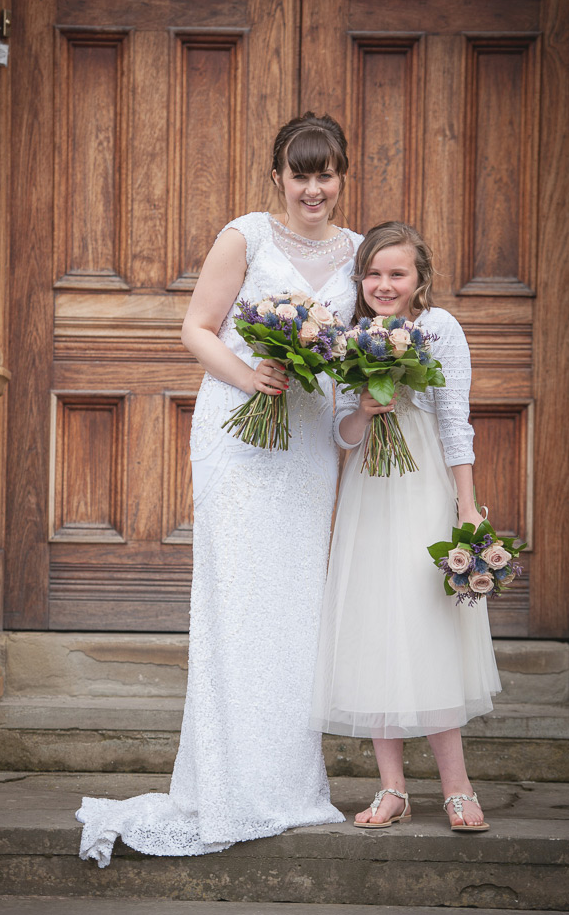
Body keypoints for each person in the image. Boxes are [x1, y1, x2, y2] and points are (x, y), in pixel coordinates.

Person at [75, 112, 363, 865]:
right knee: (236, 601)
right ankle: (229, 783)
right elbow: (197, 328)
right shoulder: (246, 237)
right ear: (278, 178)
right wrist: (253, 375)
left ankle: (289, 785)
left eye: (325, 172)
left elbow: (357, 351)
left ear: (342, 176)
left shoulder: (360, 254)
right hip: (239, 436)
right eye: (300, 173)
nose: (313, 187)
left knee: (295, 607)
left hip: (305, 442)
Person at [311, 222, 501, 833]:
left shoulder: (439, 329)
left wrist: (467, 507)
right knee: (373, 623)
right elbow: (341, 434)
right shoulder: (348, 339)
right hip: (370, 492)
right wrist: (363, 410)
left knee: (426, 623)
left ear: (420, 280)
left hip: (423, 489)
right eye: (374, 273)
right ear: (360, 279)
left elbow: (455, 424)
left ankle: (456, 786)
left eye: (398, 274)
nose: (384, 284)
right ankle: (391, 787)